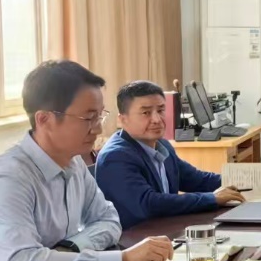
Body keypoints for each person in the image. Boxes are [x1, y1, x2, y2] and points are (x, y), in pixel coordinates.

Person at [0, 61, 172, 261]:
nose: (99, 128)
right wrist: (122, 260)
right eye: (89, 118)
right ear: (45, 119)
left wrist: (70, 248)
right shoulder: (7, 179)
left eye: (100, 116)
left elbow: (109, 220)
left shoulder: (74, 162)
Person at [95, 80, 252, 229]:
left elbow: (196, 179)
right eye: (146, 113)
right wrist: (212, 198)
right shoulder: (115, 157)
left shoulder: (162, 144)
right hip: (134, 240)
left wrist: (249, 182)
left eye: (161, 110)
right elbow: (148, 203)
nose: (156, 119)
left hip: (164, 230)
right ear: (123, 120)